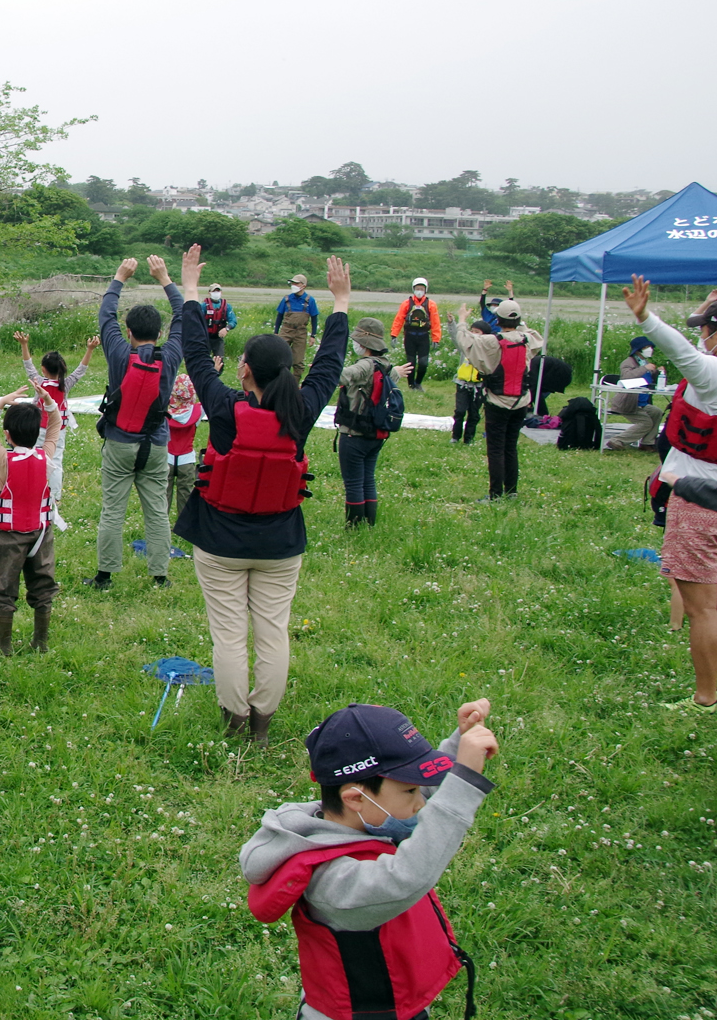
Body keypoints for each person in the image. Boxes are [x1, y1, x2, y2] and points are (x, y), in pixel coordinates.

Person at [176, 246, 351, 746]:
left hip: (220, 541)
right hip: (279, 545)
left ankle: (235, 719)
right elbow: (329, 365)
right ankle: (262, 724)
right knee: (272, 632)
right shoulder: (302, 411)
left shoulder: (226, 407)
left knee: (229, 634)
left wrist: (190, 291)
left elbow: (194, 354)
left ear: (245, 370)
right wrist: (339, 304)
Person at [241, 700, 499, 1020]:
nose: (422, 803)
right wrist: (464, 783)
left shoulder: (363, 817)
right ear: (354, 798)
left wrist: (459, 742)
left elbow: (412, 799)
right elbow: (406, 877)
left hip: (399, 1003)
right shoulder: (329, 878)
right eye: (410, 792)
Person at [622, 277, 717, 711]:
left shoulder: (712, 373)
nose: (701, 334)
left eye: (706, 328)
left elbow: (682, 350)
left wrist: (645, 317)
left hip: (700, 501)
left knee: (704, 608)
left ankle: (706, 696)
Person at [87, 256, 186, 589]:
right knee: (157, 509)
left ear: (128, 332)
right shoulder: (170, 355)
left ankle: (105, 576)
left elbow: (105, 316)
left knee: (113, 510)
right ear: (160, 333)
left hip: (119, 441)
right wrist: (165, 279)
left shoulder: (117, 351)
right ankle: (160, 575)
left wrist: (119, 278)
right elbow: (184, 317)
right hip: (157, 442)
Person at [0, 388, 62, 656]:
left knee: (3, 587)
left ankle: (3, 645)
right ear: (36, 434)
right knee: (43, 585)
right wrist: (49, 402)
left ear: (7, 435)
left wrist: (0, 402)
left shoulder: (4, 459)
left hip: (9, 537)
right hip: (41, 534)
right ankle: (40, 642)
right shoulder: (46, 456)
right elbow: (56, 425)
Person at [448, 297, 544, 501]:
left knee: (495, 449)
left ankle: (495, 494)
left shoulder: (492, 342)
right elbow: (533, 337)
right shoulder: (529, 339)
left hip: (497, 401)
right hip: (521, 401)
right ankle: (512, 491)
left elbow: (465, 341)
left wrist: (462, 319)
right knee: (511, 446)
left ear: (497, 321)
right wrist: (519, 322)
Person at [333, 318, 410, 528]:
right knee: (368, 479)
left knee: (353, 483)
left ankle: (354, 525)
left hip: (354, 434)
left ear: (364, 344)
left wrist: (325, 366)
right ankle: (369, 522)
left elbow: (343, 376)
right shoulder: (384, 364)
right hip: (376, 434)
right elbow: (392, 376)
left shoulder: (365, 365)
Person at [17, 331, 98, 531]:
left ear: (43, 369)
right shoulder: (65, 384)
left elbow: (28, 366)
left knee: (32, 457)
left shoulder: (39, 383)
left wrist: (24, 345)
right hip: (57, 430)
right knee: (55, 461)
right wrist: (89, 349)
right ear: (62, 369)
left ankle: (29, 491)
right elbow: (80, 370)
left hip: (37, 428)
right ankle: (54, 497)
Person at [606, 335, 661, 451]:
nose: (650, 349)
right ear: (639, 349)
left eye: (650, 347)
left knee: (657, 412)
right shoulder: (628, 362)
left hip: (641, 403)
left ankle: (647, 442)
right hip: (628, 402)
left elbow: (649, 381)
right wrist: (645, 368)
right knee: (645, 422)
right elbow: (626, 377)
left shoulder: (644, 362)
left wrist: (657, 372)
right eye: (647, 347)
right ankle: (617, 441)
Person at [391, 277, 441, 389]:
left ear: (425, 290)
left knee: (423, 363)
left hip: (423, 337)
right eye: (417, 288)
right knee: (411, 363)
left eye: (421, 288)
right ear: (413, 289)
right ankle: (411, 385)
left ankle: (418, 383)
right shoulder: (406, 303)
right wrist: (394, 335)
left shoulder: (431, 304)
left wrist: (436, 339)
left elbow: (435, 322)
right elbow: (399, 320)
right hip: (410, 337)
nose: (419, 291)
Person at [165, 370, 201, 521]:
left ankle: (160, 525)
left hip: (166, 457)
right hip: (186, 458)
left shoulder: (164, 411)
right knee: (185, 494)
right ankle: (184, 525)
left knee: (163, 495)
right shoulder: (197, 411)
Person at [448, 322, 490, 445]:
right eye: (472, 331)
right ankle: (455, 436)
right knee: (460, 411)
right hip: (463, 384)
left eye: (477, 332)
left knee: (474, 413)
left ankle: (469, 439)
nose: (473, 334)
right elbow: (456, 336)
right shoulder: (466, 348)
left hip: (479, 386)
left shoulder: (487, 349)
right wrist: (451, 323)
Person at [274, 274, 320, 380]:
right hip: (286, 330)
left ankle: (294, 386)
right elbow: (279, 316)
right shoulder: (286, 299)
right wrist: (276, 332)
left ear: (303, 285)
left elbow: (314, 318)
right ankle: (278, 383)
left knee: (298, 361)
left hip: (301, 332)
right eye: (292, 283)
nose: (293, 285)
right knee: (280, 357)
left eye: (296, 283)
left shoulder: (310, 300)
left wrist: (313, 335)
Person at [202, 283, 237, 375]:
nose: (216, 293)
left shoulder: (227, 307)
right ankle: (204, 376)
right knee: (204, 359)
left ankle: (216, 377)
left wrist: (227, 328)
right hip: (206, 337)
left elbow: (233, 321)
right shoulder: (204, 306)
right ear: (209, 293)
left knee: (220, 359)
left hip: (218, 338)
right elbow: (197, 320)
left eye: (218, 291)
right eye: (214, 291)